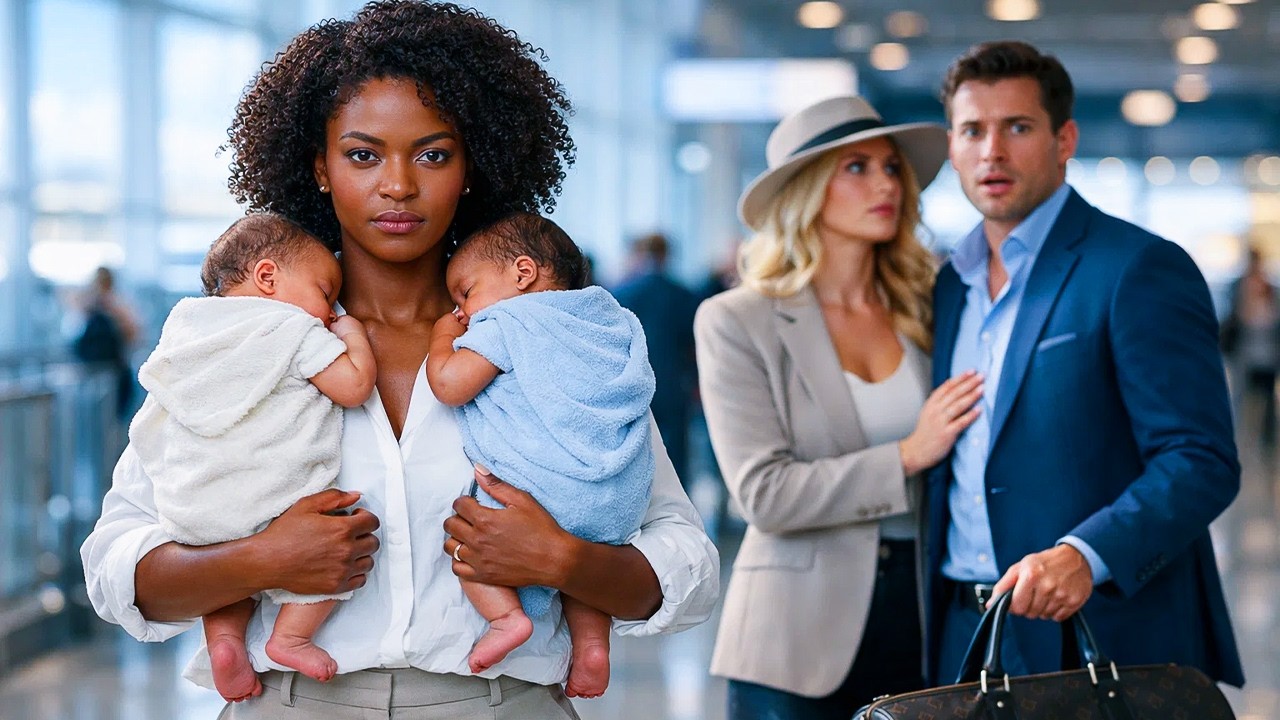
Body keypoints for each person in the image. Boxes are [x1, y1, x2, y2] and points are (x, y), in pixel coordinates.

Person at [80, 3, 719, 718]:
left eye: (433, 154)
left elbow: (687, 567)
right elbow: (114, 568)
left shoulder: (551, 333)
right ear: (319, 167)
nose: (398, 186)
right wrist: (261, 561)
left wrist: (564, 562)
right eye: (362, 154)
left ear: (473, 167)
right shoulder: (239, 337)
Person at [927, 40, 1243, 687]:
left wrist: (1085, 555)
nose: (992, 151)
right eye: (972, 130)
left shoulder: (1136, 268)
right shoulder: (949, 286)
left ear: (1064, 138)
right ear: (953, 147)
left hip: (1100, 632)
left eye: (1017, 127)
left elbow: (1200, 458)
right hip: (965, 632)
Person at [694, 95, 982, 719]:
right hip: (796, 639)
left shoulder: (928, 309)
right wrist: (908, 455)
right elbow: (761, 496)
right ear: (806, 190)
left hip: (928, 619)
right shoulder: (738, 321)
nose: (885, 183)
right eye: (856, 167)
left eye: (890, 167)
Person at [130, 212, 377, 701]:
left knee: (223, 577)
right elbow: (352, 387)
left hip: (194, 505)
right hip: (275, 500)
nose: (329, 310)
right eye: (325, 293)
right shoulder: (292, 328)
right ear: (268, 278)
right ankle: (291, 636)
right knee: (337, 534)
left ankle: (224, 641)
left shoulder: (189, 327)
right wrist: (352, 336)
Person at [426, 212, 655, 698]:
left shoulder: (509, 320)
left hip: (543, 488)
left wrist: (441, 337)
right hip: (614, 494)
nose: (463, 310)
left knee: (471, 536)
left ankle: (506, 619)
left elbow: (450, 385)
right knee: (587, 568)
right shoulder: (604, 319)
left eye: (466, 293)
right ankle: (592, 646)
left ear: (522, 274)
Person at [612, 233, 699, 486]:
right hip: (674, 385)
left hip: (630, 386)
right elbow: (693, 346)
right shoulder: (683, 294)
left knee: (634, 455)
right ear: (666, 254)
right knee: (676, 458)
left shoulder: (620, 293)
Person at [1221, 248, 1280, 446]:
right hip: (1244, 354)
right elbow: (1234, 318)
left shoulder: (1271, 289)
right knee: (1240, 398)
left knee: (1267, 399)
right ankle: (1237, 438)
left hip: (1267, 355)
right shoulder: (1237, 287)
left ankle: (1267, 440)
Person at [71, 266, 142, 418]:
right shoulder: (92, 305)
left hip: (113, 374)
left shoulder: (116, 306)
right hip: (97, 374)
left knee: (111, 423)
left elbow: (134, 335)